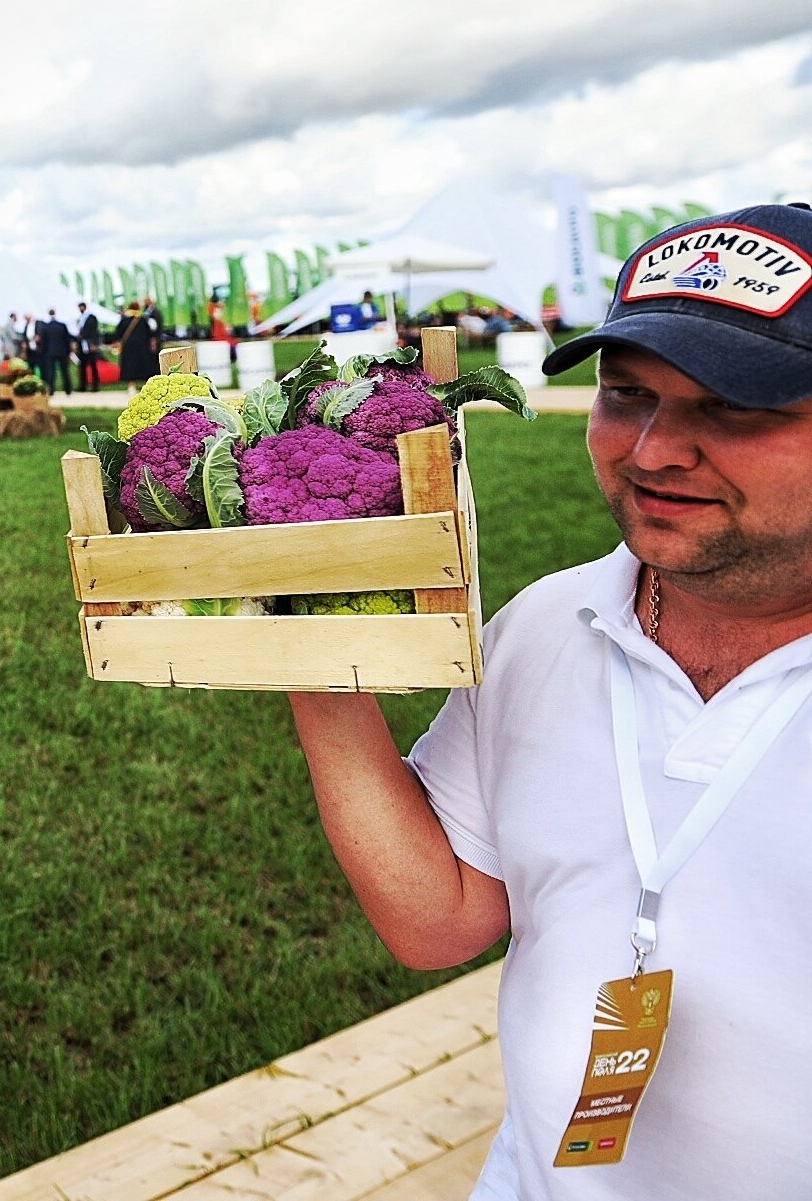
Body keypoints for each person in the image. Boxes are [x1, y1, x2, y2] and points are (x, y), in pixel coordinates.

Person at [282, 202, 812, 1198]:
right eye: (626, 395)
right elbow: (439, 916)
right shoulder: (546, 622)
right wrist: (313, 648)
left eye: (733, 408)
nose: (653, 450)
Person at [114, 300, 155, 385]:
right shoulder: (143, 320)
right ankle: (145, 384)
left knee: (130, 366)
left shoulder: (124, 320)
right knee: (143, 365)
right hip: (142, 347)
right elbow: (149, 334)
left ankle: (131, 384)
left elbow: (118, 333)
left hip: (129, 347)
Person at [33, 308, 73, 394]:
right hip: (62, 351)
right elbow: (67, 339)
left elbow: (43, 341)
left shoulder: (45, 327)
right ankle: (68, 389)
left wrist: (42, 352)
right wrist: (68, 351)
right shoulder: (62, 325)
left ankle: (51, 389)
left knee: (50, 372)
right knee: (64, 371)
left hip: (49, 352)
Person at [75, 302, 102, 392]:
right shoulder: (80, 318)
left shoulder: (91, 318)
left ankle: (95, 385)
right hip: (82, 344)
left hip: (90, 344)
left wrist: (94, 344)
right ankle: (83, 385)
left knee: (93, 365)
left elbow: (94, 332)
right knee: (82, 366)